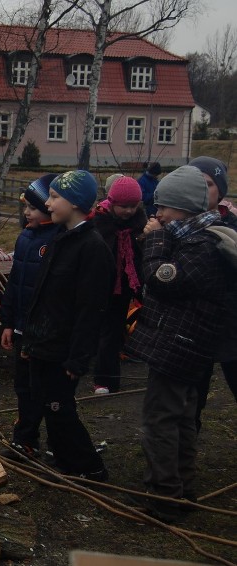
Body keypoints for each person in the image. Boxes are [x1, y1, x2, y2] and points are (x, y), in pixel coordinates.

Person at [125, 165, 232, 522]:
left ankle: (165, 498)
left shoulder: (203, 245)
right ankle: (183, 488)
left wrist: (155, 241)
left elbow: (161, 279)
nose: (157, 214)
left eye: (164, 208)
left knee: (161, 420)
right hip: (184, 344)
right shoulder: (193, 237)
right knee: (182, 416)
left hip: (180, 345)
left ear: (183, 209)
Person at [21, 170, 111, 481]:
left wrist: (78, 357)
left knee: (60, 407)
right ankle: (63, 458)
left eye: (55, 197)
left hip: (64, 348)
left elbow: (91, 309)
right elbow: (43, 294)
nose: (48, 203)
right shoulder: (61, 238)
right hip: (45, 342)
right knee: (46, 402)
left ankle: (88, 467)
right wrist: (30, 340)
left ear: (74, 203)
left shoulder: (92, 247)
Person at [0, 173, 60, 458]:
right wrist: (8, 322)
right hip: (22, 328)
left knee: (43, 389)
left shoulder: (58, 240)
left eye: (32, 208)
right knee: (22, 386)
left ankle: (51, 440)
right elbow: (14, 285)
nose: (26, 213)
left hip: (44, 332)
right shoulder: (25, 237)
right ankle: (25, 438)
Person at [187, 156, 237, 418]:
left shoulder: (232, 227)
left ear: (220, 190)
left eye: (207, 184)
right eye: (195, 183)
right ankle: (184, 454)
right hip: (194, 327)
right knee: (191, 400)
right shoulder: (175, 227)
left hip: (231, 324)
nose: (200, 190)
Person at [91, 176, 147, 394]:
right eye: (124, 206)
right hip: (99, 285)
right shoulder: (99, 223)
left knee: (112, 333)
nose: (129, 212)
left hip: (123, 288)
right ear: (112, 202)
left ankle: (107, 379)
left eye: (133, 206)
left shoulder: (139, 225)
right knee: (93, 329)